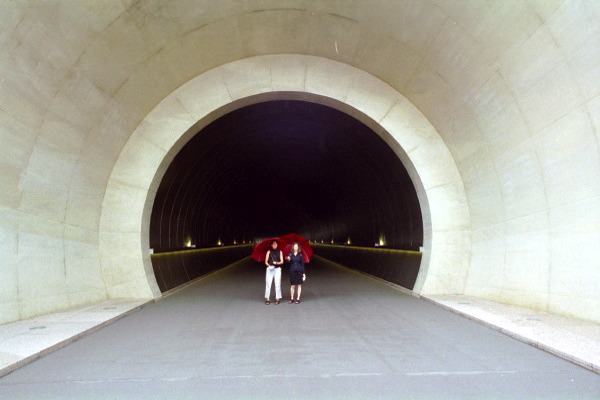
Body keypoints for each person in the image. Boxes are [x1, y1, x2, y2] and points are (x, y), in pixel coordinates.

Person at [264, 240, 283, 305]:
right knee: (268, 283)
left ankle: (277, 298)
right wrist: (269, 265)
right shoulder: (269, 252)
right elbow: (266, 261)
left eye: (276, 244)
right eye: (273, 244)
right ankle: (267, 298)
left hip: (277, 269)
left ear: (277, 245)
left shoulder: (280, 252)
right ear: (271, 245)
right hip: (270, 269)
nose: (275, 245)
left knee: (277, 283)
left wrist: (276, 263)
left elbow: (282, 261)